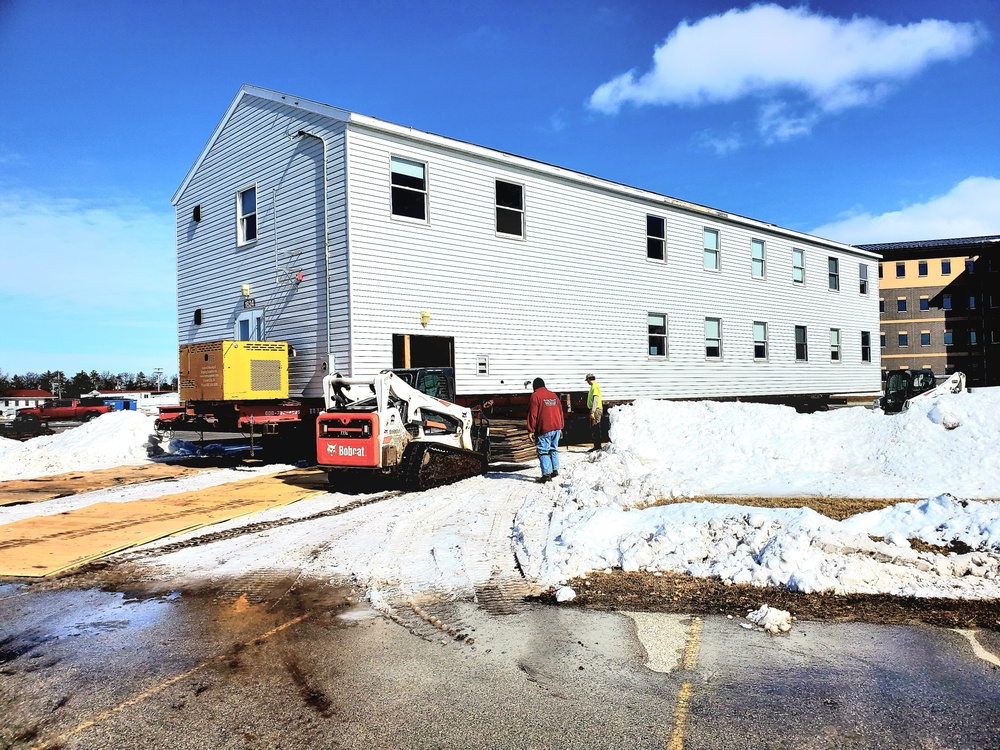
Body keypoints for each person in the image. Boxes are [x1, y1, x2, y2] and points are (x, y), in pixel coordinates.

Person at [526, 377, 564, 483]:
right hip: (556, 427)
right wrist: (560, 427)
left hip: (544, 428)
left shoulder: (535, 396)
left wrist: (531, 430)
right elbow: (560, 412)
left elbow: (533, 414)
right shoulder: (553, 395)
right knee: (553, 449)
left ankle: (546, 475)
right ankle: (555, 470)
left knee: (543, 451)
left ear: (534, 386)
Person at [585, 374, 603, 451]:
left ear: (589, 380)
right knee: (594, 427)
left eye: (587, 380)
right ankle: (596, 445)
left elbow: (595, 399)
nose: (587, 382)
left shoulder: (595, 386)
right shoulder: (593, 386)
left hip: (596, 410)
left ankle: (597, 446)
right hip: (595, 409)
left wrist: (592, 411)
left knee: (595, 427)